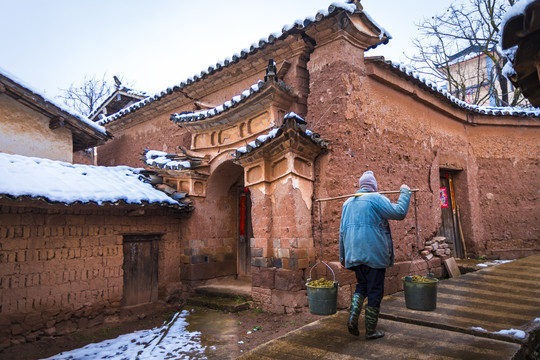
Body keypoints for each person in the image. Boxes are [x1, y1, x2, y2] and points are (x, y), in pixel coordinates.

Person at [339, 170, 411, 340]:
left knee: (362, 285)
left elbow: (342, 232)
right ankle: (371, 330)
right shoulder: (376, 198)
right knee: (375, 290)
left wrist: (342, 256)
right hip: (374, 253)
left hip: (353, 253)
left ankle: (352, 318)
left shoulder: (347, 203)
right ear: (373, 186)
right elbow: (399, 212)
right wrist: (405, 193)